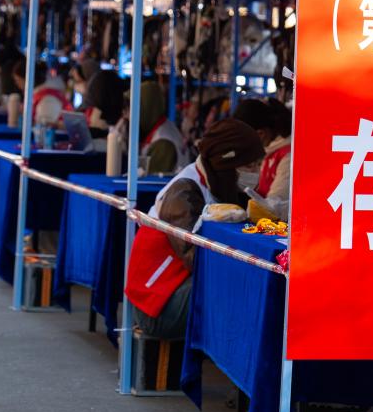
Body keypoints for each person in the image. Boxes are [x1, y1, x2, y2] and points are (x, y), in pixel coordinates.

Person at [124, 118, 265, 339]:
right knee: (241, 291)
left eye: (258, 164)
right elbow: (197, 258)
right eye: (249, 166)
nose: (256, 172)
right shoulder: (184, 193)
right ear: (226, 163)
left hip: (175, 287)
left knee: (248, 287)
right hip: (157, 303)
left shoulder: (220, 185)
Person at [233, 98, 293, 220]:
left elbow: (275, 207)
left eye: (243, 139)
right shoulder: (270, 150)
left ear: (260, 134)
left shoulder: (288, 157)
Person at [134, 81, 187, 175]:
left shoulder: (163, 144)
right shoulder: (163, 128)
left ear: (146, 109)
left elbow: (148, 181)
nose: (127, 115)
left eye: (132, 109)